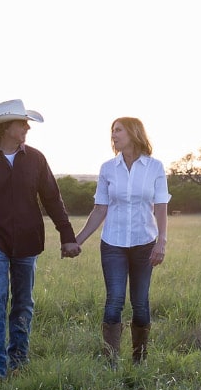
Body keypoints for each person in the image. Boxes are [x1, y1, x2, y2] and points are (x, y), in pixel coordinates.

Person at [0, 99, 81, 384]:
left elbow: (52, 198)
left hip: (28, 241)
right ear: (6, 127)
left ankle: (18, 360)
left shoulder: (37, 159)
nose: (27, 127)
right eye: (22, 122)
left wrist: (67, 236)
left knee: (23, 303)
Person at [73, 117, 170, 365]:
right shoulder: (108, 168)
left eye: (118, 130)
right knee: (114, 298)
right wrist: (78, 240)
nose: (113, 135)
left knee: (140, 301)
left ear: (134, 133)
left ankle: (139, 360)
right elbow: (99, 209)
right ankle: (111, 362)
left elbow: (160, 207)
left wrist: (161, 242)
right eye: (112, 131)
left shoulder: (155, 167)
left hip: (145, 242)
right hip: (113, 243)